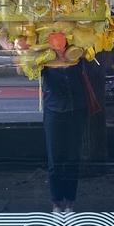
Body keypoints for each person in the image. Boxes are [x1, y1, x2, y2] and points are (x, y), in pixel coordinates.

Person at [40, 58, 102, 213]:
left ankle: (70, 202)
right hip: (53, 109)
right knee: (55, 157)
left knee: (73, 157)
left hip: (76, 108)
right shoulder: (44, 55)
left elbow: (93, 63)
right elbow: (23, 70)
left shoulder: (77, 52)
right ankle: (56, 202)